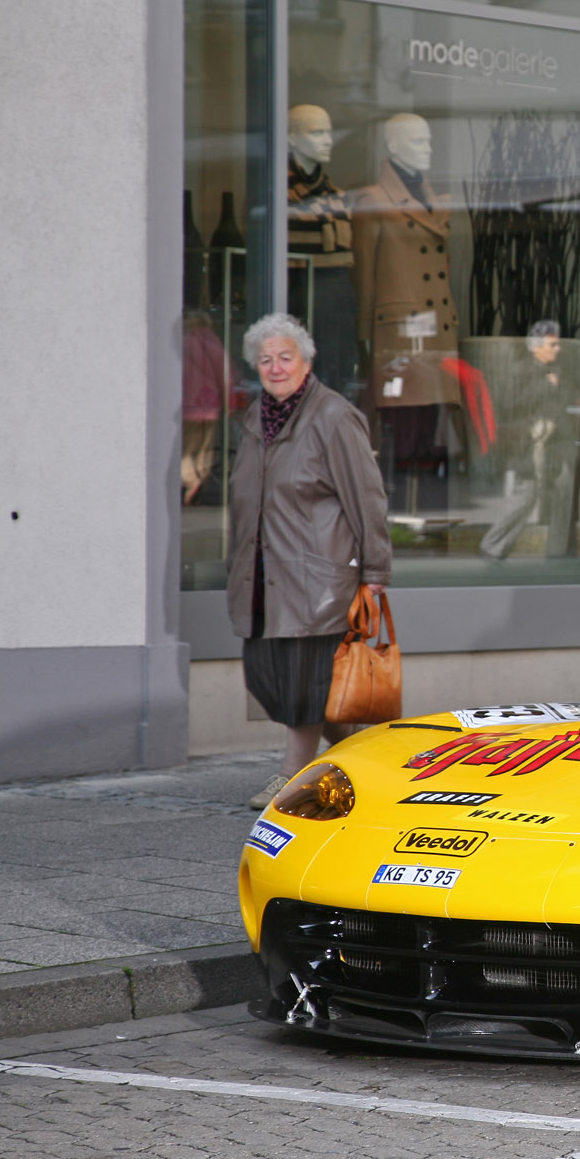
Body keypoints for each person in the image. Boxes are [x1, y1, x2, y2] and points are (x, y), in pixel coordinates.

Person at [225, 313, 393, 810]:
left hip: (316, 577)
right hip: (261, 578)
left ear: (307, 360)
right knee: (272, 680)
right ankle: (375, 759)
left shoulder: (334, 417)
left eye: (285, 357)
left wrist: (376, 571)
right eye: (265, 359)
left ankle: (290, 776)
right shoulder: (255, 419)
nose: (275, 367)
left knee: (303, 685)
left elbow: (368, 498)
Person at [479, 320, 577, 561]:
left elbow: (564, 403)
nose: (558, 349)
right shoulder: (521, 371)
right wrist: (546, 386)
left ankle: (558, 552)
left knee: (562, 497)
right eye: (552, 344)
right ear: (536, 347)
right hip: (528, 447)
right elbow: (510, 404)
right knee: (526, 496)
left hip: (555, 446)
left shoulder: (558, 371)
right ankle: (493, 546)